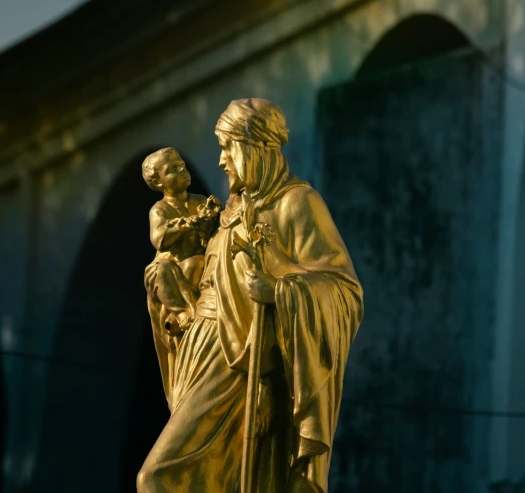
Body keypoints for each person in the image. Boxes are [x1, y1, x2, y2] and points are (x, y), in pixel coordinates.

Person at [139, 99, 363, 493]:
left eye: (228, 147)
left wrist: (278, 290)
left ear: (253, 146)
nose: (222, 161)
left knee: (160, 477)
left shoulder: (296, 202)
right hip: (202, 349)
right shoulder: (232, 209)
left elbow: (343, 290)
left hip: (239, 359)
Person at [142, 147, 220, 336]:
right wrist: (190, 223)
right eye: (173, 169)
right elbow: (159, 238)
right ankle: (182, 313)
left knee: (199, 263)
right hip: (169, 266)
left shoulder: (200, 201)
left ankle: (200, 309)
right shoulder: (159, 209)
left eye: (182, 166)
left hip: (197, 262)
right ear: (157, 181)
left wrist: (212, 217)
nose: (182, 171)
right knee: (161, 270)